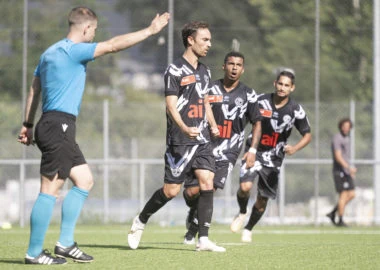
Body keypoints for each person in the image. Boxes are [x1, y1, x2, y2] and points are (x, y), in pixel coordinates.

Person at [18, 6, 170, 265]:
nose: (94, 35)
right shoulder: (74, 50)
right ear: (86, 27)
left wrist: (27, 123)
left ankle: (65, 243)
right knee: (50, 189)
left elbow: (35, 88)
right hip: (59, 126)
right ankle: (33, 252)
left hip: (52, 123)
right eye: (94, 30)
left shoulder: (48, 53)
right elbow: (112, 46)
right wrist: (150, 31)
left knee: (85, 180)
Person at [127, 21, 225, 252]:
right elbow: (170, 106)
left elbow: (205, 101)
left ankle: (203, 239)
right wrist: (183, 127)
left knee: (207, 181)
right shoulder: (174, 70)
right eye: (205, 39)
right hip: (180, 140)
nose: (209, 44)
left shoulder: (205, 71)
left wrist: (212, 125)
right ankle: (141, 219)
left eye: (210, 40)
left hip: (201, 139)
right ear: (190, 40)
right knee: (171, 191)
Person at [182, 51, 262, 244]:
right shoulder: (209, 89)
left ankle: (196, 228)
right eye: (231, 64)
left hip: (228, 151)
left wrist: (252, 150)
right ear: (223, 66)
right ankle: (194, 210)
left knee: (211, 187)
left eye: (238, 65)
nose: (234, 68)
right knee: (191, 193)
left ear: (243, 69)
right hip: (204, 147)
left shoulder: (249, 94)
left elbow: (257, 123)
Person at [230, 70, 312, 242]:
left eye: (286, 85)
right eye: (280, 84)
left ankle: (249, 228)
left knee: (262, 199)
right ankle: (242, 212)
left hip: (274, 158)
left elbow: (307, 135)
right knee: (245, 187)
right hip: (254, 150)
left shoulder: (295, 110)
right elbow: (242, 119)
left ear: (292, 88)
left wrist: (295, 148)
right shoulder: (260, 101)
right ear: (275, 84)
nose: (282, 88)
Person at [326, 118, 356, 227]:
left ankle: (333, 212)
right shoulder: (337, 138)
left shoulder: (347, 138)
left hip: (346, 171)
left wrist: (350, 169)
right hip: (340, 171)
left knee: (352, 194)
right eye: (344, 126)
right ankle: (340, 220)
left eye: (348, 126)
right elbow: (338, 157)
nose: (346, 128)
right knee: (343, 195)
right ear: (341, 126)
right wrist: (349, 168)